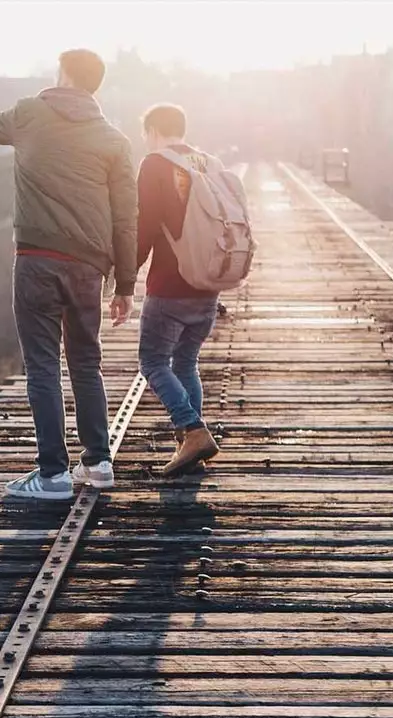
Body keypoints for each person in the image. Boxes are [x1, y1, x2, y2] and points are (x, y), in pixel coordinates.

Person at [0, 49, 137, 501]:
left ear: (62, 74)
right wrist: (127, 285)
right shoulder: (113, 140)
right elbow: (125, 217)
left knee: (42, 365)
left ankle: (53, 474)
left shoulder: (30, 115)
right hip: (89, 266)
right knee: (86, 362)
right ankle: (98, 463)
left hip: (38, 259)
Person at [136, 103, 222, 475]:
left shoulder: (154, 164)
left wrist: (125, 279)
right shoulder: (207, 163)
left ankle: (192, 428)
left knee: (153, 361)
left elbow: (145, 227)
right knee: (186, 362)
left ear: (153, 130)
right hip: (208, 284)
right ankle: (192, 446)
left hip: (170, 285)